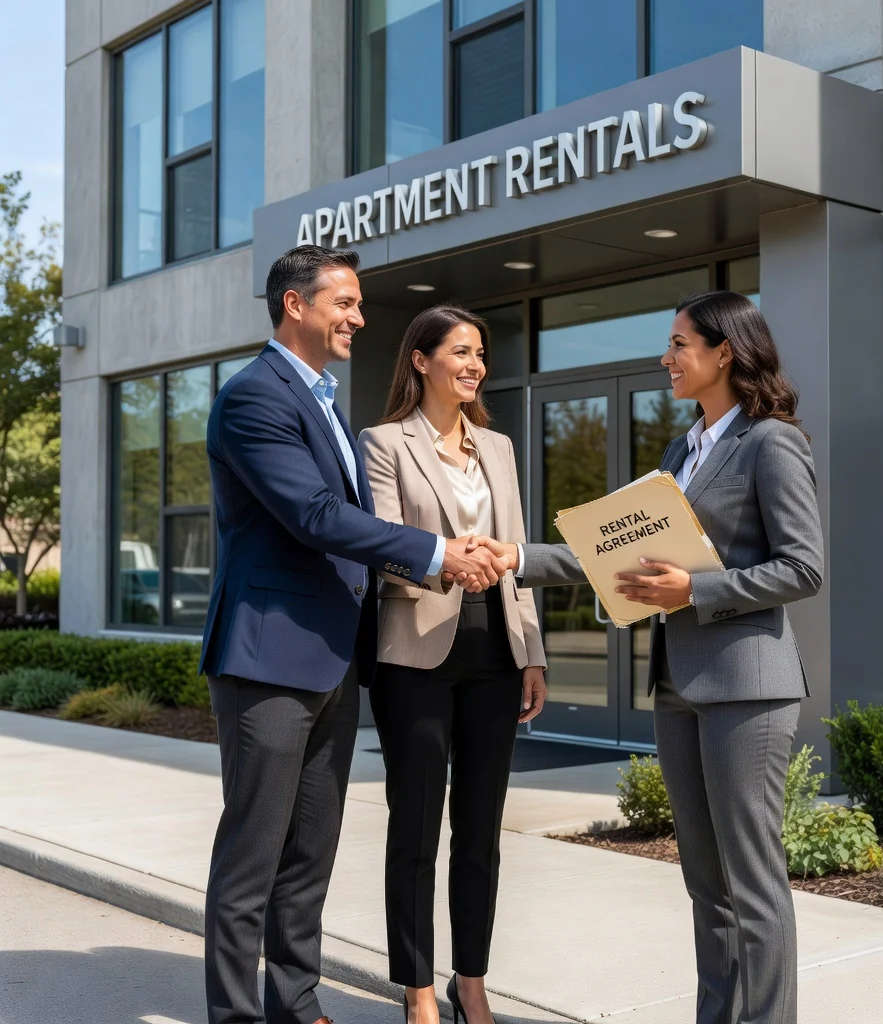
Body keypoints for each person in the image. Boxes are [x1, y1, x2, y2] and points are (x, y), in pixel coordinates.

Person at [470, 291, 823, 1024]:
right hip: (678, 684)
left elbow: (803, 568)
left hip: (747, 686)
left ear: (725, 351)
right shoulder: (681, 450)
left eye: (679, 344)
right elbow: (614, 553)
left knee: (753, 885)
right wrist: (517, 557)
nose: (666, 358)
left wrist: (692, 589)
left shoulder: (771, 441)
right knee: (706, 886)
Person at [199, 246, 507, 1024]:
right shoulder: (253, 398)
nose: (359, 318)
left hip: (333, 655)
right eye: (344, 302)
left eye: (360, 304)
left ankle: (296, 1006)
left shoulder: (328, 400)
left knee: (309, 853)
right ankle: (237, 1015)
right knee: (253, 855)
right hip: (269, 654)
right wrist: (439, 552)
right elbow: (316, 516)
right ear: (295, 306)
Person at [358, 305, 547, 1024]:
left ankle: (472, 980)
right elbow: (379, 542)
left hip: (495, 648)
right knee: (414, 827)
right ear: (420, 359)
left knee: (480, 827)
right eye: (460, 352)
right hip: (416, 652)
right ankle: (416, 989)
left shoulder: (497, 447)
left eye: (479, 355)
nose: (473, 365)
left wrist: (531, 653)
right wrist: (451, 566)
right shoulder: (383, 443)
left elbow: (517, 555)